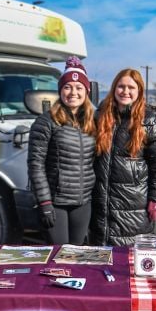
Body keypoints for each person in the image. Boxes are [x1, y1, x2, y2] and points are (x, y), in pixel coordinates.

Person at [90, 68, 156, 246]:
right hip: (102, 205)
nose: (125, 91)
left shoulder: (149, 121)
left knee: (128, 261)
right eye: (121, 86)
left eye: (131, 87)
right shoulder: (100, 117)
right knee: (102, 259)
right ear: (114, 88)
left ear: (139, 91)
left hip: (134, 206)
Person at [27, 56, 96, 245]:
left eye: (79, 87)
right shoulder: (46, 121)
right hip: (56, 203)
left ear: (86, 91)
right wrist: (44, 202)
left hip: (83, 203)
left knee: (77, 255)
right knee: (58, 256)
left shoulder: (92, 122)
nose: (73, 92)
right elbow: (36, 165)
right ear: (60, 91)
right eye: (68, 87)